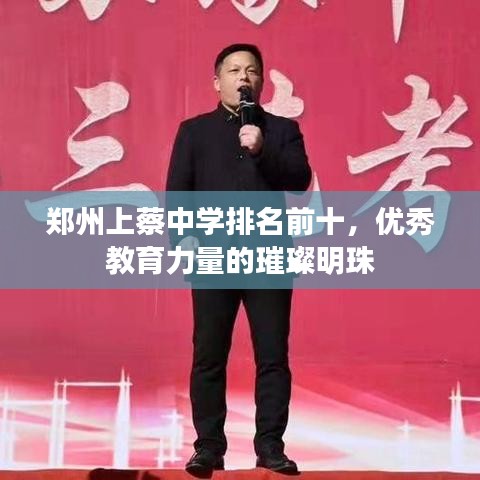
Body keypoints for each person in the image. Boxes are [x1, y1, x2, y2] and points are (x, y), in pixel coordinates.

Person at [166, 43, 311, 475]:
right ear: (217, 82)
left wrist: (262, 149)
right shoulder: (194, 131)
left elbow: (300, 181)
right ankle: (208, 448)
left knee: (272, 357)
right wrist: (184, 240)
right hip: (213, 256)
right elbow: (178, 192)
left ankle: (270, 447)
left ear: (261, 81)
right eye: (233, 70)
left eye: (251, 70)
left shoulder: (281, 129)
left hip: (268, 257)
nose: (243, 77)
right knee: (209, 355)